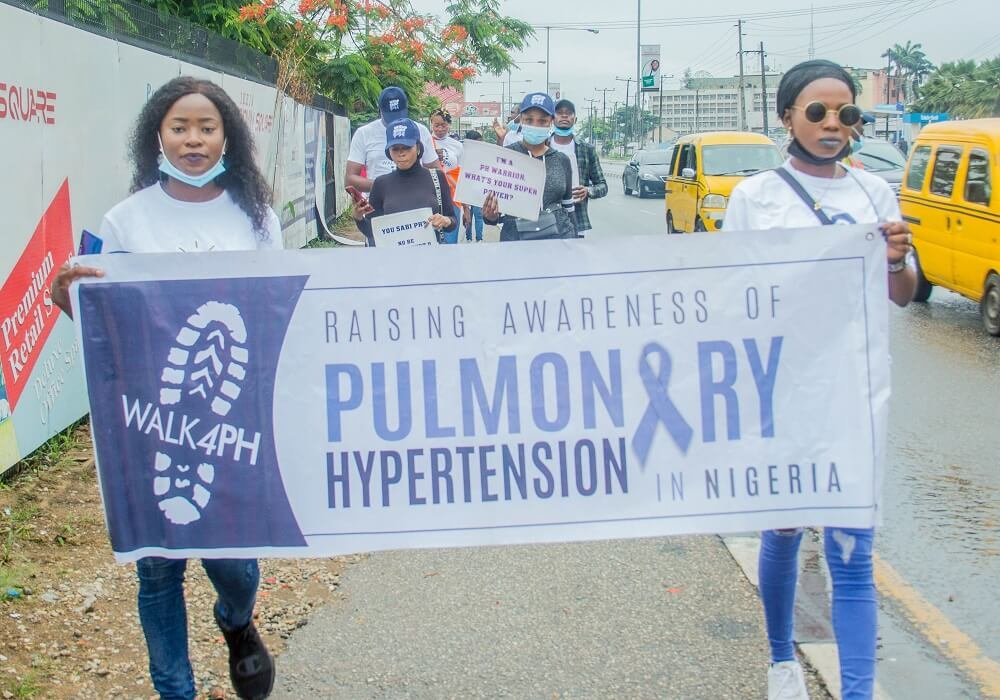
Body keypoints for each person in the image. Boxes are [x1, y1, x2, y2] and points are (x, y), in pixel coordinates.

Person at [50, 76, 280, 700]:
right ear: (158, 136)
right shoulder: (124, 221)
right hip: (147, 421)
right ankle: (175, 691)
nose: (193, 139)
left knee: (236, 565)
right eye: (180, 127)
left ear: (227, 137)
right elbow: (102, 323)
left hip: (233, 421)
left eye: (207, 127)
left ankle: (236, 620)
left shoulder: (257, 218)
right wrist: (67, 297)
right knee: (157, 572)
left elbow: (278, 313)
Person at [722, 59, 916, 700]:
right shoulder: (755, 198)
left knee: (852, 546)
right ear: (787, 117)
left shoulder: (874, 194)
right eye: (818, 111)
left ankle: (857, 691)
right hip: (781, 392)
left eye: (846, 113)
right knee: (783, 530)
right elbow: (729, 298)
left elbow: (902, 294)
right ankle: (782, 660)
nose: (834, 124)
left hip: (854, 393)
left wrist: (896, 261)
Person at [482, 92, 577, 241]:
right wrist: (490, 216)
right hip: (516, 242)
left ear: (551, 122)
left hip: (558, 242)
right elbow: (493, 213)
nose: (535, 125)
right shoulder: (506, 157)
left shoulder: (561, 160)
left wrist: (575, 244)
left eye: (542, 121)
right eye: (529, 120)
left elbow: (569, 207)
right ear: (521, 120)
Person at [352, 118, 456, 245]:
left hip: (430, 255)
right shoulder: (381, 184)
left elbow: (452, 221)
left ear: (418, 147)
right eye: (395, 148)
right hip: (394, 256)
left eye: (407, 147)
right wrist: (358, 218)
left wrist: (445, 221)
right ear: (388, 151)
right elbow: (373, 232)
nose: (401, 154)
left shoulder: (436, 178)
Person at [345, 86, 438, 193]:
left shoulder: (421, 130)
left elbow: (435, 171)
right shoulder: (364, 133)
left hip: (415, 197)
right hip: (378, 200)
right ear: (380, 110)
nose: (395, 122)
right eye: (391, 117)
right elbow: (350, 180)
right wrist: (385, 185)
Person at [551, 99, 608, 236]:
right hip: (547, 222)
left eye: (569, 113)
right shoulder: (543, 146)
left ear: (575, 119)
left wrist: (588, 191)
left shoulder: (586, 149)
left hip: (577, 221)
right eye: (559, 112)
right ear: (552, 118)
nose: (564, 116)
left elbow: (602, 186)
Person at [429, 108, 465, 244]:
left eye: (443, 125)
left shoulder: (457, 146)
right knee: (432, 237)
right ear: (431, 124)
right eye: (436, 125)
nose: (440, 129)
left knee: (451, 238)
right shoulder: (425, 143)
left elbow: (462, 176)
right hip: (431, 195)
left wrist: (466, 208)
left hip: (452, 198)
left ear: (449, 124)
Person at [463, 130, 486, 242]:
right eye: (478, 142)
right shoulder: (463, 155)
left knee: (478, 216)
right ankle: (469, 238)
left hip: (479, 190)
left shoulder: (483, 155)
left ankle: (479, 239)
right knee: (468, 216)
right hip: (467, 190)